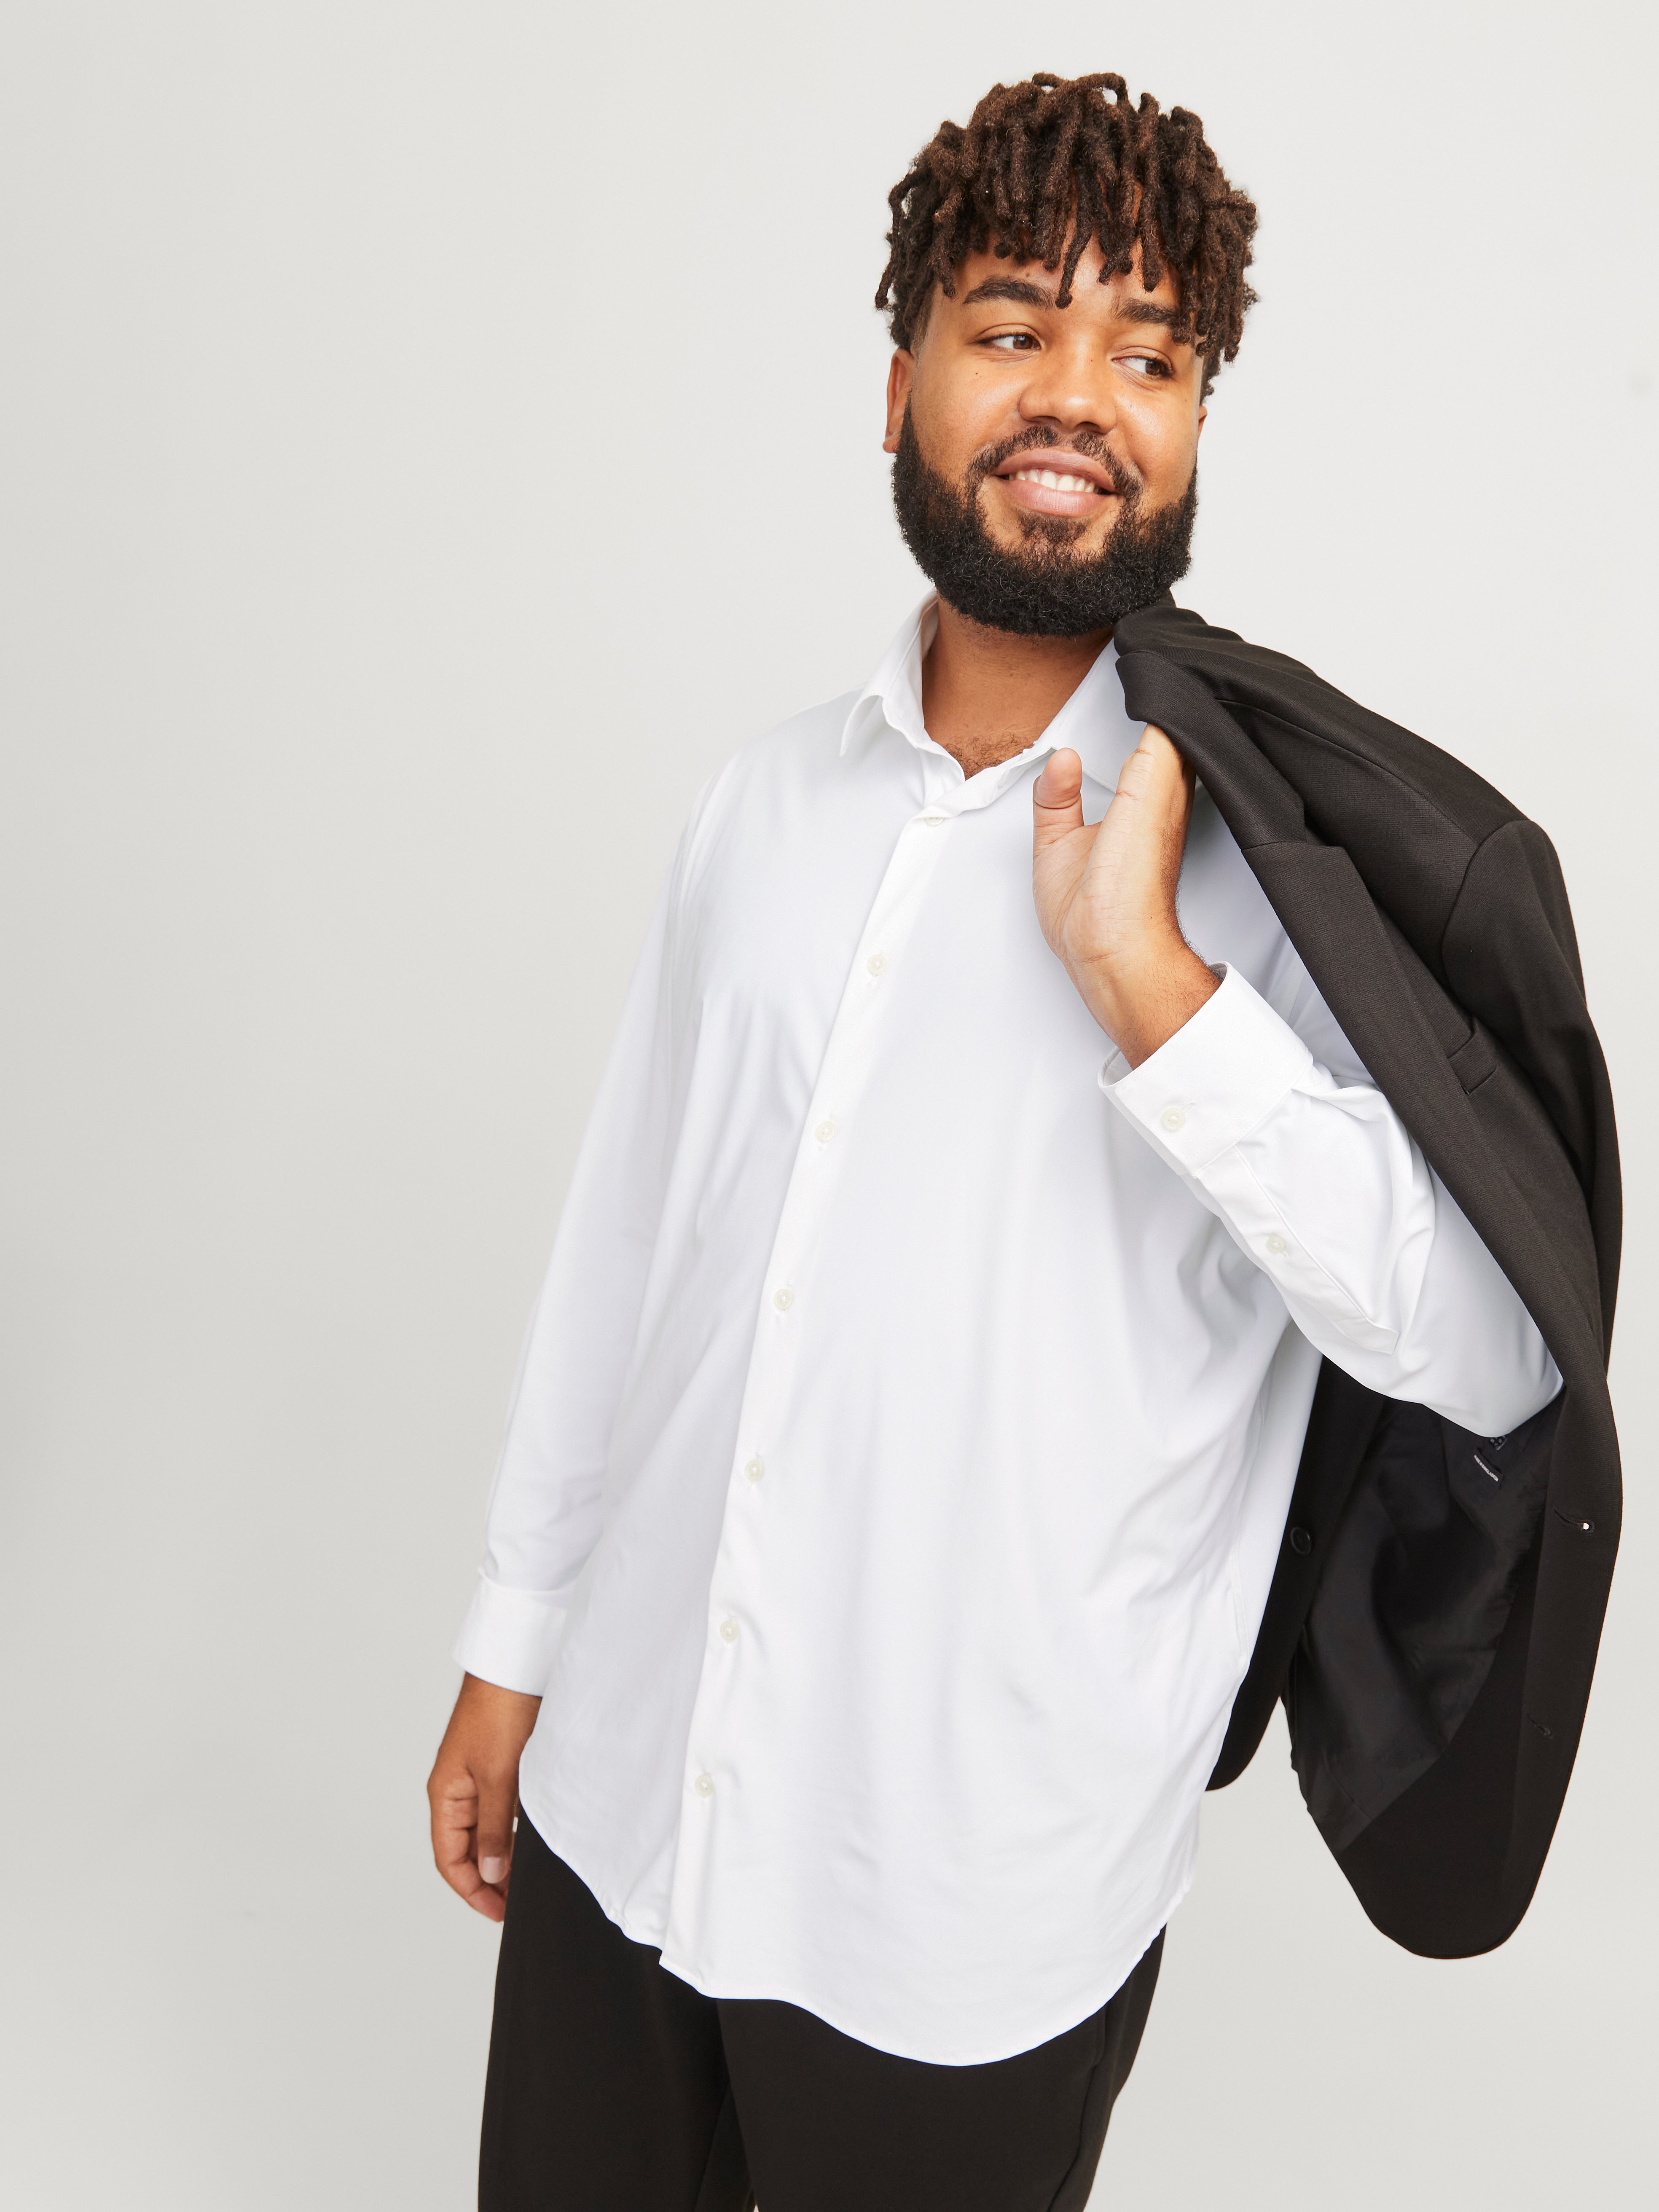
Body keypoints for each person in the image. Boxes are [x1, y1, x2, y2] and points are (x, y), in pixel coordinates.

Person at [427, 70, 1616, 2212]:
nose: (1079, 395)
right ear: (899, 389)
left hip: (964, 1910)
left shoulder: (1286, 889)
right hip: (633, 1786)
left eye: (1150, 355)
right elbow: (630, 1248)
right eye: (1012, 327)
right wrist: (515, 1641)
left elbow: (1498, 1361)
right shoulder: (761, 808)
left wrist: (1160, 995)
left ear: (1195, 427)